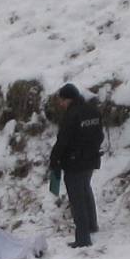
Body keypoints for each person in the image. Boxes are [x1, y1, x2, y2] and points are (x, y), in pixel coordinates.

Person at [49, 83, 104, 248]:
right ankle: (92, 225)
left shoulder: (71, 115)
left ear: (68, 99)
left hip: (74, 162)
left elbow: (63, 140)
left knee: (77, 198)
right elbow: (100, 135)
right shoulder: (93, 111)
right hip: (91, 159)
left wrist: (54, 159)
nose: (60, 103)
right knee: (86, 190)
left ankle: (83, 238)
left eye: (62, 100)